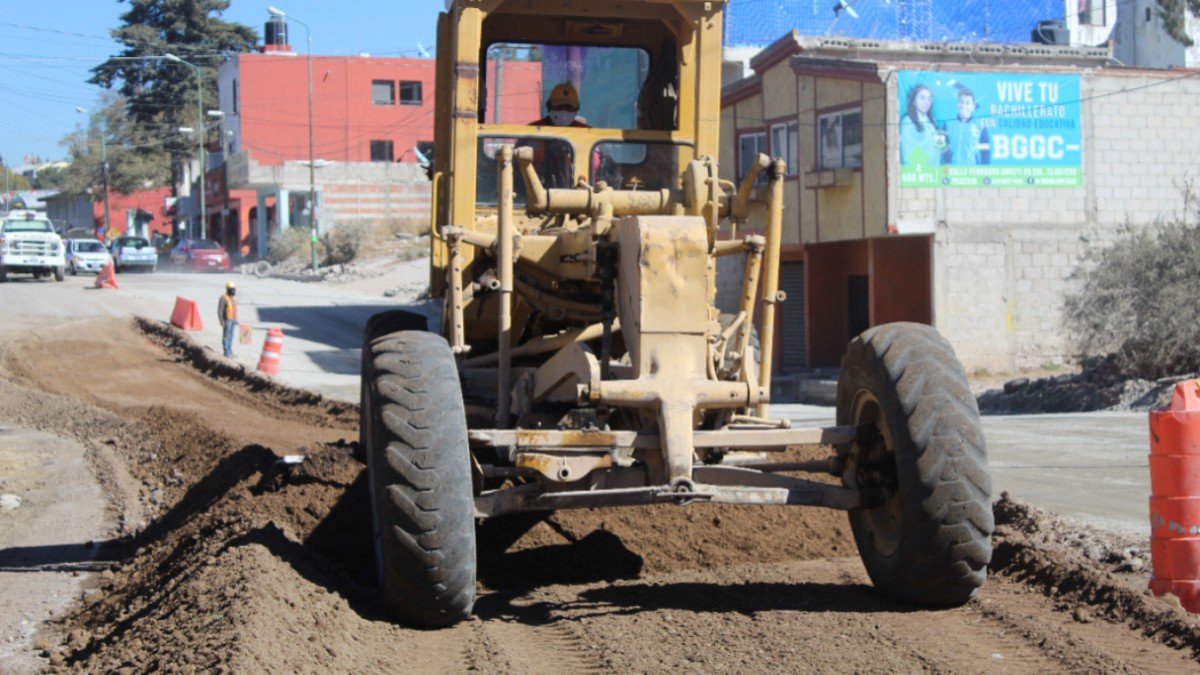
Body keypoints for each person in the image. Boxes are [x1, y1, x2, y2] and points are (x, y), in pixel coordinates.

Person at [899, 84, 947, 166]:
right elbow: (906, 154)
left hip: (935, 173)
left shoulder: (933, 121)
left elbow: (939, 149)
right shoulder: (907, 122)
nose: (926, 102)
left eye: (929, 98)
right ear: (913, 101)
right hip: (920, 174)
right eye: (922, 98)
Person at [945, 86, 991, 166]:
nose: (964, 105)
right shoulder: (947, 125)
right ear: (957, 104)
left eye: (967, 103)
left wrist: (983, 174)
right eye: (961, 102)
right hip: (951, 172)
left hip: (971, 174)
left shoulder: (981, 127)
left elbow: (985, 153)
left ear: (973, 107)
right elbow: (942, 151)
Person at [218, 280, 239, 358]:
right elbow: (220, 310)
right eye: (231, 289)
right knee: (226, 336)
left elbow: (234, 310)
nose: (233, 290)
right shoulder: (223, 298)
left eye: (234, 289)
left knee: (231, 336)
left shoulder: (233, 299)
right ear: (227, 289)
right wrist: (221, 320)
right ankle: (226, 352)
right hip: (227, 320)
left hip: (233, 320)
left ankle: (230, 351)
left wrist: (236, 320)